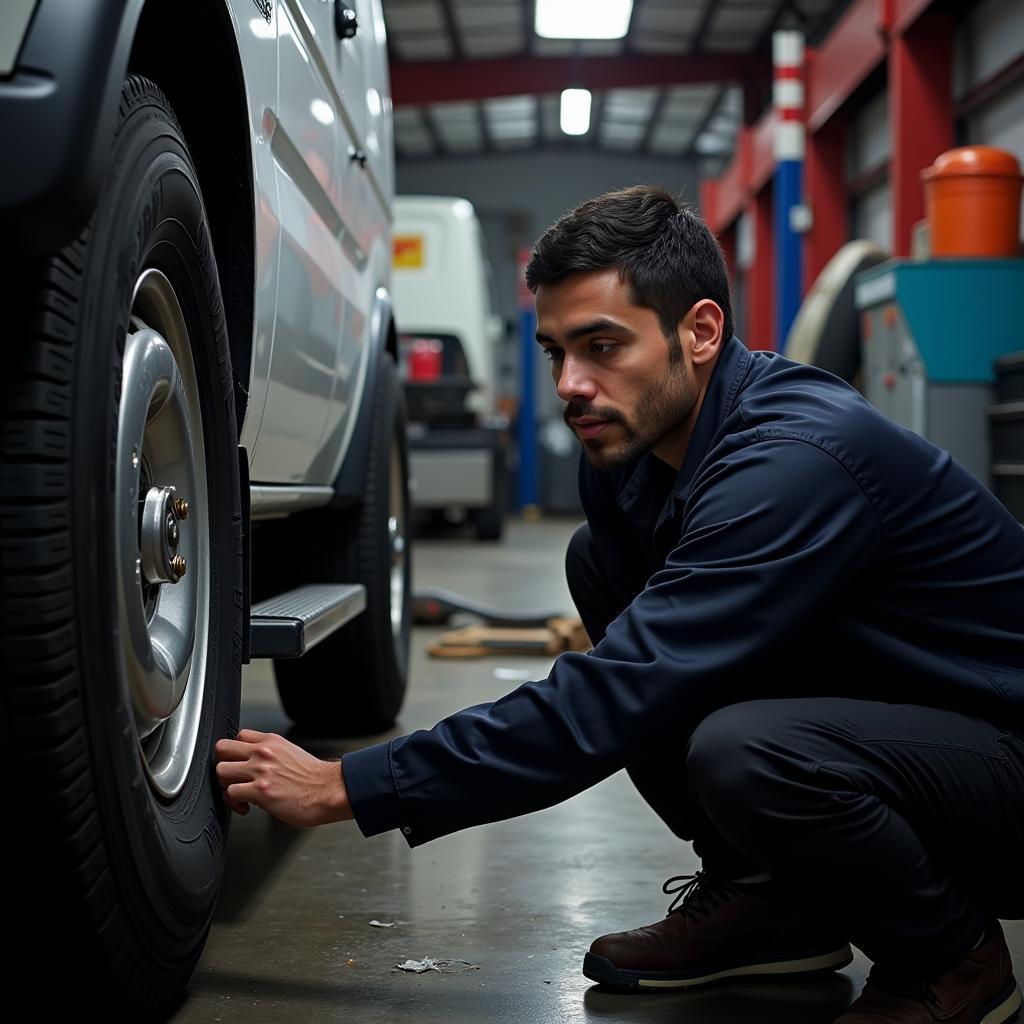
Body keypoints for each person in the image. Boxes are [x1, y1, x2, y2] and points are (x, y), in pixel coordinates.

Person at [215, 185, 1024, 1023]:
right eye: (556, 351)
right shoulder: (632, 456)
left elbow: (616, 696)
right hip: (913, 732)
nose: (572, 385)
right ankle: (774, 901)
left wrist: (347, 785)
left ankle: (952, 958)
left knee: (750, 752)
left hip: (1006, 762)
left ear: (701, 332)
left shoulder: (794, 462)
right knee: (600, 564)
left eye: (603, 346)